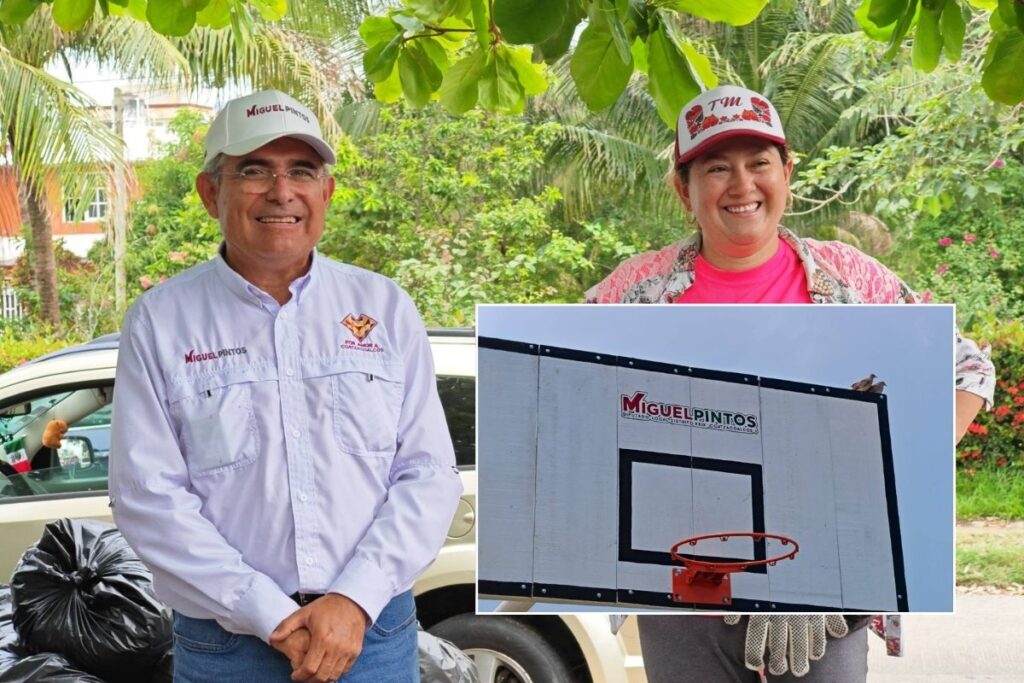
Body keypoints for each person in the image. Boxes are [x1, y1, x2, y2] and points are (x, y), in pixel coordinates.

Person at [587, 84, 995, 682]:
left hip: (825, 595)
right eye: (717, 168)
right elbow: (564, 398)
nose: (742, 184)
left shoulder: (851, 279)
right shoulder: (635, 291)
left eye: (759, 163)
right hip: (683, 593)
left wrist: (890, 484)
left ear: (787, 173)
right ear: (684, 188)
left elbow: (967, 371)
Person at [109, 90, 463, 683]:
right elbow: (148, 496)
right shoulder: (161, 322)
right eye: (253, 171)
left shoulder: (385, 308)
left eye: (302, 171)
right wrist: (268, 612)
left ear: (325, 192)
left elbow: (428, 474)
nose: (281, 192)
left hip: (372, 634)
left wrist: (353, 600)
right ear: (209, 192)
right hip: (228, 646)